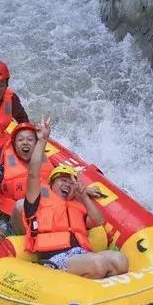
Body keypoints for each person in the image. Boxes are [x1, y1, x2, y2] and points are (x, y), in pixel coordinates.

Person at [22, 118, 129, 279]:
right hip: (55, 260)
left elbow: (98, 221)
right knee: (98, 264)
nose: (67, 184)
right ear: (51, 184)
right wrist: (42, 139)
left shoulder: (78, 206)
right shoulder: (37, 200)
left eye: (71, 182)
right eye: (62, 180)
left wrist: (83, 195)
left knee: (121, 261)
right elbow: (32, 172)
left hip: (82, 254)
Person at [0, 122, 55, 232]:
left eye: (30, 140)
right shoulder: (3, 168)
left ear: (36, 144)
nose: (25, 143)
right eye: (20, 140)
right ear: (14, 144)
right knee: (20, 206)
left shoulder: (46, 165)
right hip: (14, 216)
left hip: (43, 213)